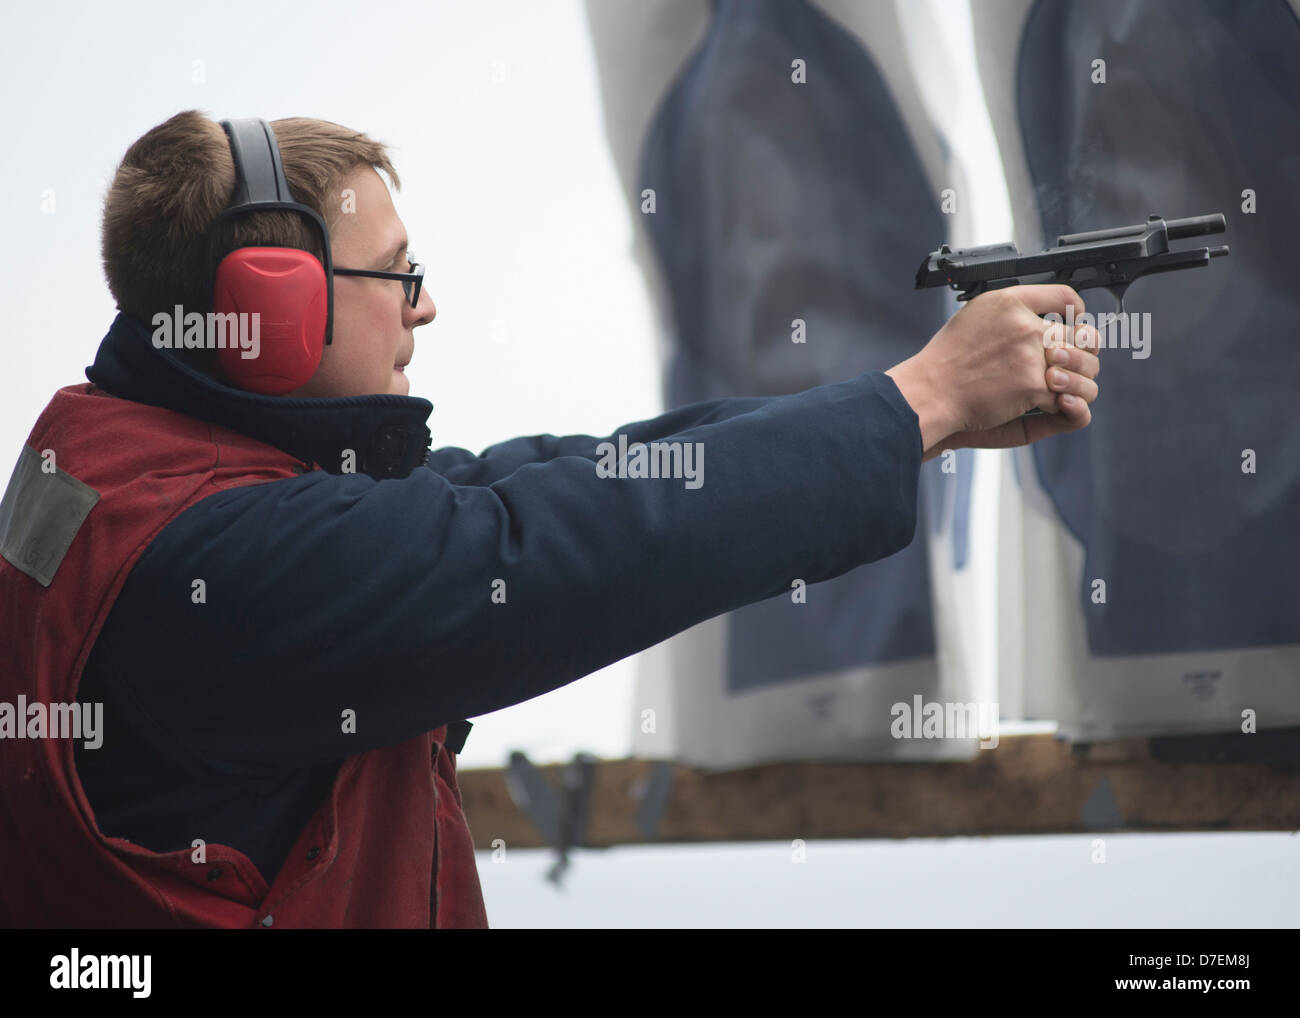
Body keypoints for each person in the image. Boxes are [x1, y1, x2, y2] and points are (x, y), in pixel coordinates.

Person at [0, 109, 1099, 929]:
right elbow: (553, 548)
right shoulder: (218, 567)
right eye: (395, 273)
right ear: (267, 310)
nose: (424, 303)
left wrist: (904, 413)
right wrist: (922, 400)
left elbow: (544, 484)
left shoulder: (131, 468)